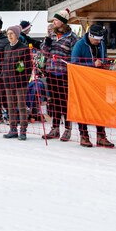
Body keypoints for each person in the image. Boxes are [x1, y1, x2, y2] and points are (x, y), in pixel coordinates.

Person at [70, 23, 113, 148]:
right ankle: (84, 135)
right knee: (83, 108)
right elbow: (74, 64)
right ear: (90, 36)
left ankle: (101, 136)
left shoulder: (101, 44)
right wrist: (92, 64)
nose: (98, 42)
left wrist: (105, 63)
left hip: (99, 80)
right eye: (96, 40)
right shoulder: (79, 45)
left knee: (100, 108)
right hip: (83, 82)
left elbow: (103, 57)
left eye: (100, 40)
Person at [41, 9, 78, 141]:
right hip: (51, 72)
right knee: (54, 101)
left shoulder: (72, 37)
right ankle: (55, 128)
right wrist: (46, 45)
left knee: (65, 102)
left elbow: (75, 55)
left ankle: (67, 129)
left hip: (64, 73)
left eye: (56, 20)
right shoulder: (51, 35)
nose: (54, 22)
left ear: (62, 22)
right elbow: (44, 54)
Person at [2, 25, 32, 140]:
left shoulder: (23, 48)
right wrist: (4, 75)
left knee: (21, 106)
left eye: (12, 34)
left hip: (20, 82)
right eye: (8, 34)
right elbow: (4, 63)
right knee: (11, 106)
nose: (9, 36)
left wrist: (24, 79)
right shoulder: (6, 47)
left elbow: (28, 67)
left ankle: (23, 130)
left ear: (17, 35)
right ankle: (13, 128)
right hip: (8, 81)